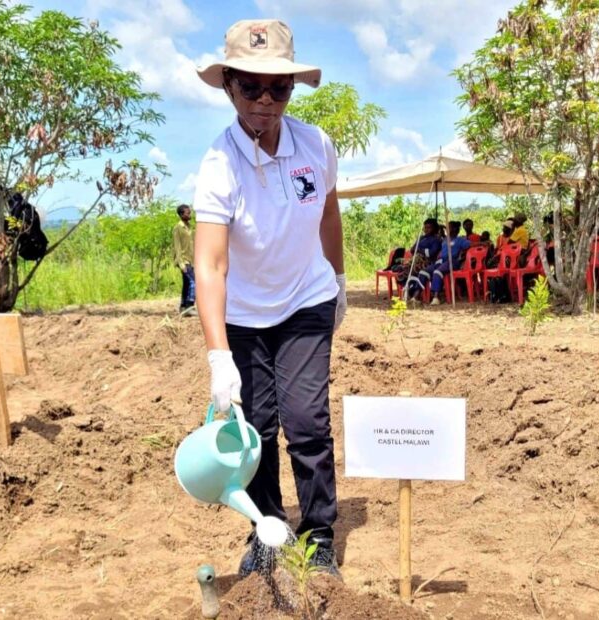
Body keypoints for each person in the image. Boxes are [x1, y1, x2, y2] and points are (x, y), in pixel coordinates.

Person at [192, 19, 346, 577]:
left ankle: (320, 531)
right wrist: (218, 357)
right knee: (253, 430)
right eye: (249, 86)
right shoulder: (219, 165)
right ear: (228, 85)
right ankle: (265, 529)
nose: (264, 100)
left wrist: (338, 281)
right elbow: (210, 264)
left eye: (277, 87)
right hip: (244, 316)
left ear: (292, 89)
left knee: (307, 421)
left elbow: (329, 211)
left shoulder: (316, 146)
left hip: (306, 303)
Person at [427, 221, 471, 305]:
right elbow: (441, 235)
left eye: (449, 227)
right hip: (441, 261)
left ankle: (436, 297)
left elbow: (470, 244)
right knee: (425, 271)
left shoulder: (460, 240)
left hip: (452, 261)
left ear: (454, 229)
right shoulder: (445, 239)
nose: (447, 229)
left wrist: (483, 243)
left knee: (437, 272)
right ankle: (417, 296)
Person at [397, 218, 441, 298]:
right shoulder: (421, 238)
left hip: (427, 262)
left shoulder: (436, 240)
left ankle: (410, 289)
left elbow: (430, 253)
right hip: (416, 259)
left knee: (407, 269)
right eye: (425, 228)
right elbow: (412, 250)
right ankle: (408, 288)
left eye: (429, 228)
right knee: (404, 269)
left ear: (434, 228)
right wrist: (421, 250)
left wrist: (420, 250)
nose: (426, 230)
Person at [173, 204, 196, 316]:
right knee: (193, 282)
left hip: (191, 260)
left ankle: (182, 307)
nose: (189, 214)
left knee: (187, 283)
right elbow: (177, 247)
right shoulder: (178, 228)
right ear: (181, 215)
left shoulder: (190, 227)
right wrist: (181, 263)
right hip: (183, 260)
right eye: (187, 213)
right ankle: (189, 306)